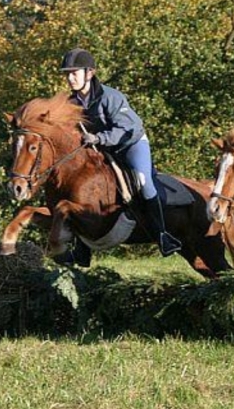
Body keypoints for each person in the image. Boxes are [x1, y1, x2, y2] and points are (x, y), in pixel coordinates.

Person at [59, 48, 182, 258]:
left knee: (144, 182)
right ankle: (82, 247)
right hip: (101, 151)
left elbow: (127, 128)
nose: (70, 78)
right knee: (80, 189)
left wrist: (99, 139)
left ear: (89, 73)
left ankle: (163, 235)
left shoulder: (110, 96)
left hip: (131, 144)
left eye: (74, 73)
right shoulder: (71, 103)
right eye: (67, 74)